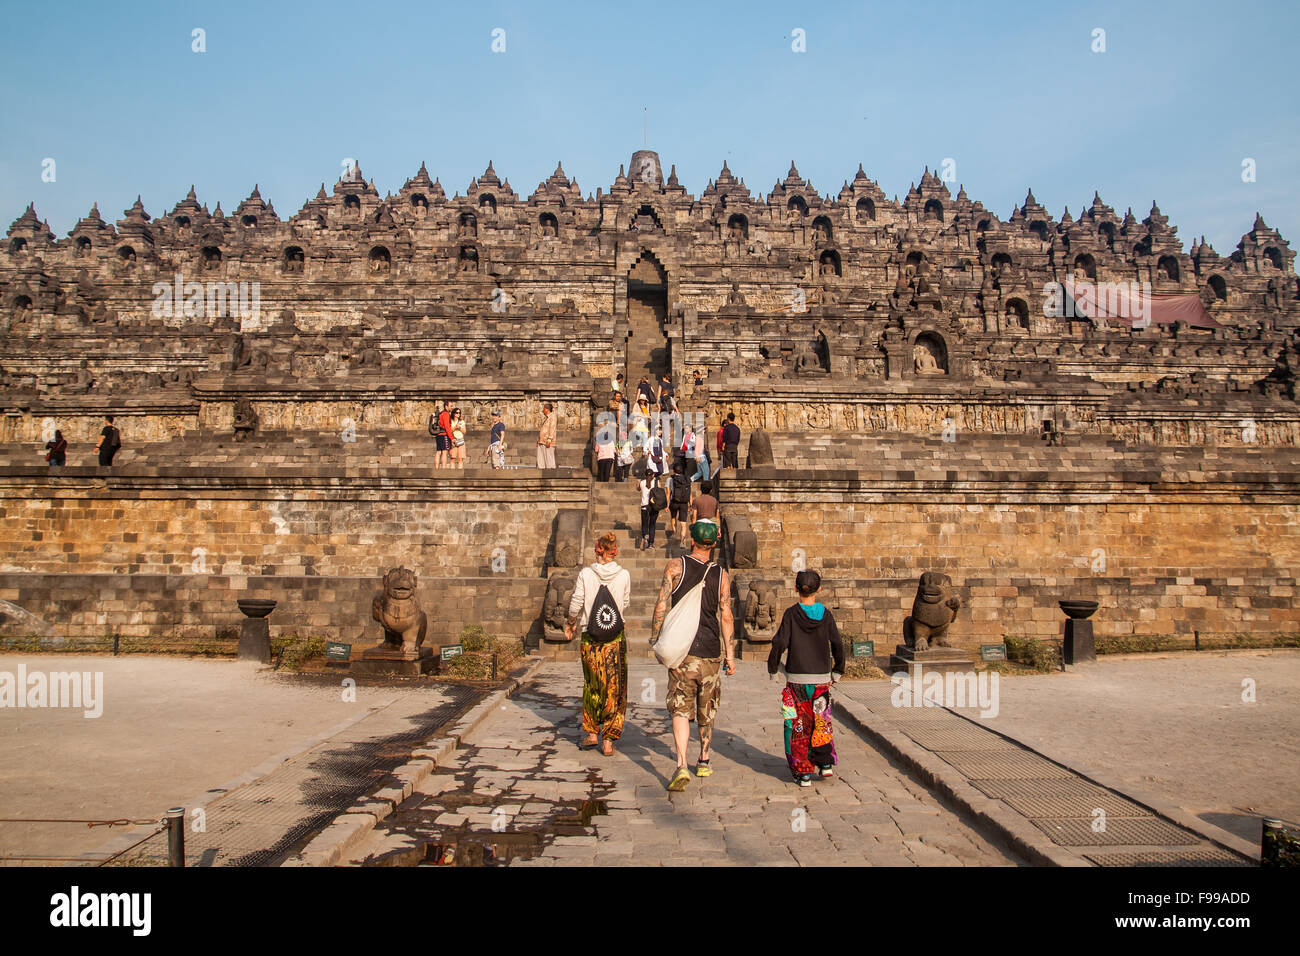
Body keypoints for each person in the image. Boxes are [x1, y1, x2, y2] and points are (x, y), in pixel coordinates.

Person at [650, 520, 735, 791]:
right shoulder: (722, 574)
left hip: (682, 651)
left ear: (692, 540)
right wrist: (730, 654)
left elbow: (661, 604)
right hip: (710, 652)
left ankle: (682, 763)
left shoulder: (676, 567)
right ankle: (705, 759)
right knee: (706, 708)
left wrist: (656, 638)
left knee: (679, 706)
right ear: (715, 542)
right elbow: (726, 615)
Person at [767, 570, 846, 787]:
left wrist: (773, 668)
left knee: (797, 724)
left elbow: (779, 642)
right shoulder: (826, 615)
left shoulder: (792, 614)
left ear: (796, 589)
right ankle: (825, 763)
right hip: (821, 679)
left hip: (797, 680)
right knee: (822, 720)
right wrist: (838, 670)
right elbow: (837, 644)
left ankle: (803, 771)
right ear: (819, 589)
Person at [565, 532, 632, 756]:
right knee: (615, 687)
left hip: (590, 636)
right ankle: (609, 740)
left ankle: (592, 732)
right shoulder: (624, 575)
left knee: (593, 684)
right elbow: (624, 603)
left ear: (598, 550)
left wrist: (571, 622)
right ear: (614, 551)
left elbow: (576, 602)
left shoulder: (586, 573)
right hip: (614, 637)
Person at [640, 471, 666, 549]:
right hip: (654, 506)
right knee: (652, 524)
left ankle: (645, 536)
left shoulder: (642, 482)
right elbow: (660, 492)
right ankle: (651, 543)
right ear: (653, 475)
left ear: (644, 475)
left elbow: (638, 489)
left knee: (644, 524)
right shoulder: (656, 482)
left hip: (644, 506)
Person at [668, 463, 692, 549]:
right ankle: (682, 540)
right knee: (683, 524)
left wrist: (667, 505)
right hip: (684, 503)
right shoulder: (686, 479)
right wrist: (690, 504)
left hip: (674, 501)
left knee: (673, 517)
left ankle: (674, 532)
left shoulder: (670, 479)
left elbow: (668, 493)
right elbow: (689, 493)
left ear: (674, 470)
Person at [536, 402, 557, 469]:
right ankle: (541, 470)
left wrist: (549, 439)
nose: (543, 410)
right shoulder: (547, 418)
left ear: (547, 409)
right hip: (542, 441)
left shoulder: (552, 417)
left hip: (548, 441)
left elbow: (552, 428)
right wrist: (538, 440)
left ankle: (550, 473)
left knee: (549, 459)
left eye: (544, 409)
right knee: (541, 459)